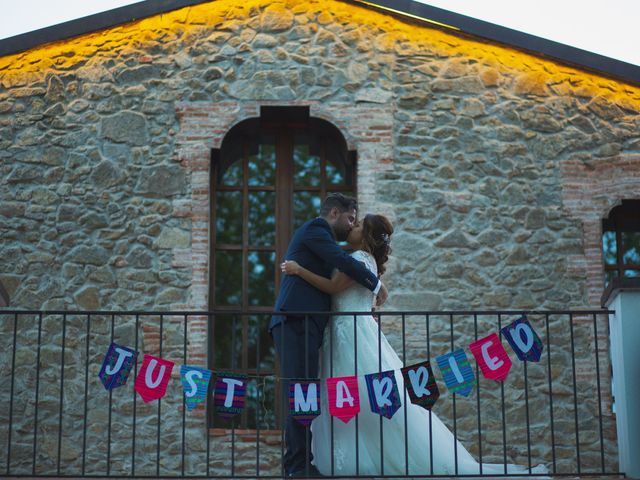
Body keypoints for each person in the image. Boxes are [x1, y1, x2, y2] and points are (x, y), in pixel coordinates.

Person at [281, 214, 548, 476]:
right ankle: (355, 457)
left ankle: (372, 458)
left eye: (359, 224)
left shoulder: (360, 259)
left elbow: (332, 286)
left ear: (366, 236)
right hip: (342, 335)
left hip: (352, 335)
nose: (353, 226)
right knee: (352, 397)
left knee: (365, 395)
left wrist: (298, 270)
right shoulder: (357, 258)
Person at [270, 193, 388, 478]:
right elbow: (341, 262)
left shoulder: (327, 239)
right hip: (294, 320)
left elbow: (338, 277)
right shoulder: (316, 229)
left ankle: (303, 462)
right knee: (301, 392)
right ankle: (297, 467)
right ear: (334, 212)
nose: (351, 225)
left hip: (309, 324)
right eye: (350, 218)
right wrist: (377, 286)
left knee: (307, 393)